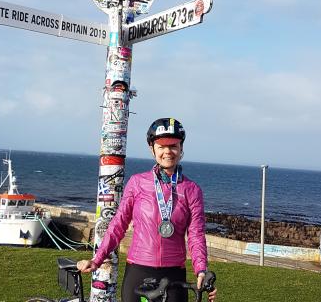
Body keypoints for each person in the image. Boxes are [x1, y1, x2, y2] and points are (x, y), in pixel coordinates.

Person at [78, 118, 217, 302]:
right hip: (139, 270)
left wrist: (201, 270)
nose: (168, 151)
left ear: (181, 148)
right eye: (161, 146)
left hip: (174, 273)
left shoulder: (192, 190)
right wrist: (97, 259)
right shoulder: (137, 183)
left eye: (173, 146)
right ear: (153, 149)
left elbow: (196, 234)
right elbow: (118, 225)